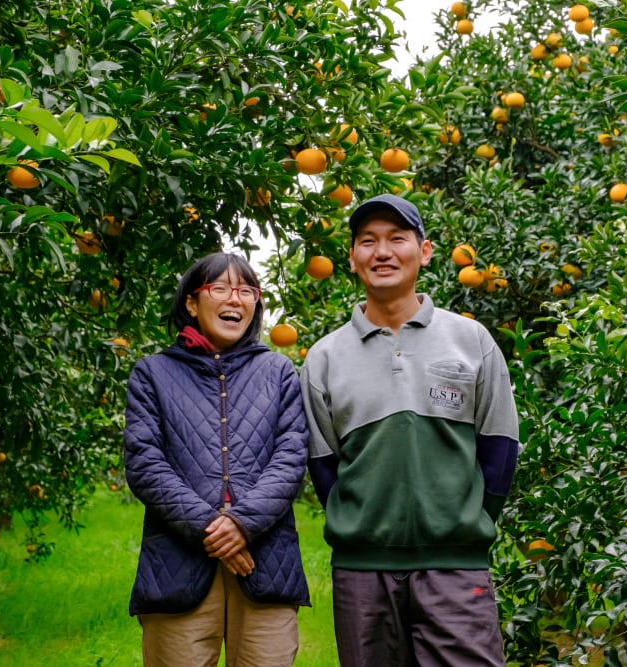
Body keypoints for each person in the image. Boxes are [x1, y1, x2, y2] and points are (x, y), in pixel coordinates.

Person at [300, 194, 521, 666]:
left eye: (397, 239)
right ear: (353, 258)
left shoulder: (471, 340)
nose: (382, 252)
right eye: (368, 241)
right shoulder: (324, 357)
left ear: (424, 252)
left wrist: (461, 527)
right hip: (363, 573)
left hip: (455, 567)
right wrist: (362, 528)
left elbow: (500, 449)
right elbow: (324, 466)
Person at [124, 251, 310, 667]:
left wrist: (243, 523)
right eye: (221, 288)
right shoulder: (153, 374)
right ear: (192, 302)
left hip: (265, 561)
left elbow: (291, 457)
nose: (236, 299)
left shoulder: (278, 372)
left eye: (247, 290)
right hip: (178, 562)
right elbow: (145, 463)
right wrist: (216, 529)